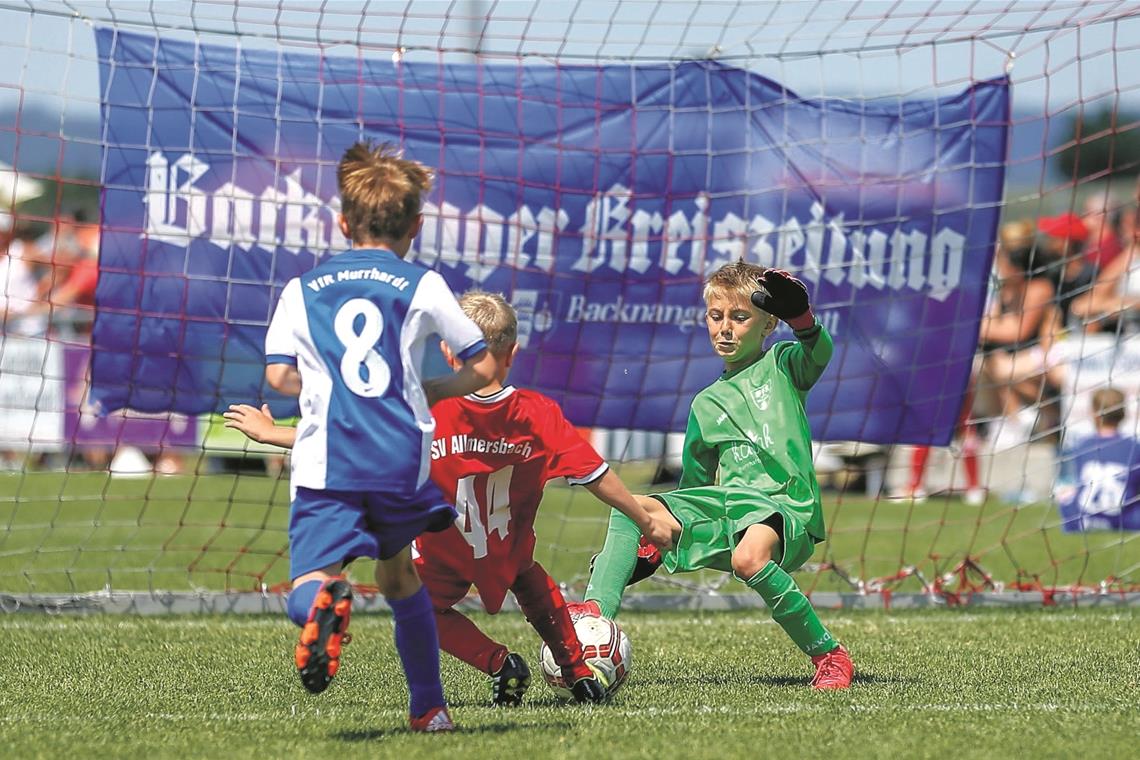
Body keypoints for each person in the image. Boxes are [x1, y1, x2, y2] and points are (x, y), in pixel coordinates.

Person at [228, 290, 675, 705]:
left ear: (448, 350)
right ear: (513, 353)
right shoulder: (539, 414)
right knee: (535, 586)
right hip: (509, 546)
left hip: (445, 547)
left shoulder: (428, 407)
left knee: (422, 607)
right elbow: (596, 475)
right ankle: (577, 669)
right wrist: (646, 519)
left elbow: (352, 439)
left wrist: (273, 435)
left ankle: (499, 663)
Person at [257, 141, 496, 733]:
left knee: (314, 575)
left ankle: (316, 603)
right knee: (398, 576)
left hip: (327, 461)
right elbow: (484, 364)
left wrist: (318, 385)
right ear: (416, 225)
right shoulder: (424, 284)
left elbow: (279, 375)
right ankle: (429, 709)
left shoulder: (302, 288)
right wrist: (437, 390)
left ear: (342, 222)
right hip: (399, 461)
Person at [573, 261, 855, 690]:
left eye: (739, 318)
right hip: (730, 508)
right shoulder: (705, 404)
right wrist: (661, 535)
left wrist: (803, 319)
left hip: (785, 507)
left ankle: (829, 655)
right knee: (628, 508)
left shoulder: (783, 364)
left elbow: (820, 353)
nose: (725, 328)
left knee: (748, 559)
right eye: (716, 316)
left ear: (768, 324)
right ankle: (593, 624)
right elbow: (696, 490)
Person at [974, 220, 1059, 450]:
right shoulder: (1008, 289)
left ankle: (1025, 419)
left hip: (1046, 354)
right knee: (984, 365)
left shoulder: (1039, 288)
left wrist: (975, 328)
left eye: (1004, 263)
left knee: (998, 366)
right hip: (1016, 357)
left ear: (1018, 267)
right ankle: (1012, 420)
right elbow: (993, 322)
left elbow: (1018, 331)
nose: (1000, 268)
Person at [1054, 387, 1140, 532]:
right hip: (1125, 520)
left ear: (1094, 414)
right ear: (1123, 414)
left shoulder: (1082, 445)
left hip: (1082, 520)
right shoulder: (1134, 446)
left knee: (1065, 493)